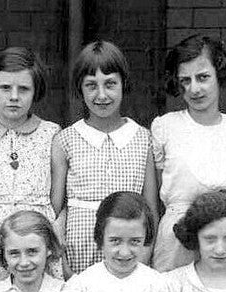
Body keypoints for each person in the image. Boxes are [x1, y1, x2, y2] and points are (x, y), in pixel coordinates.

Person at [52, 40, 156, 275]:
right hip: (79, 251)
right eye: (91, 85)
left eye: (110, 84)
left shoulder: (142, 138)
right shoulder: (66, 139)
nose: (101, 95)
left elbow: (150, 208)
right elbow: (56, 209)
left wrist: (144, 258)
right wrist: (62, 263)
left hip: (128, 252)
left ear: (123, 84)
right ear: (80, 88)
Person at [0, 47, 62, 286]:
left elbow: (57, 195)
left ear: (35, 91)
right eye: (5, 88)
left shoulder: (52, 134)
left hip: (35, 240)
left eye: (24, 89)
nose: (14, 96)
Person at [151, 35, 226, 272]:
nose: (194, 89)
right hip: (177, 242)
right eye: (185, 80)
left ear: (219, 74)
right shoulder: (165, 127)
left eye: (203, 77)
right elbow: (156, 191)